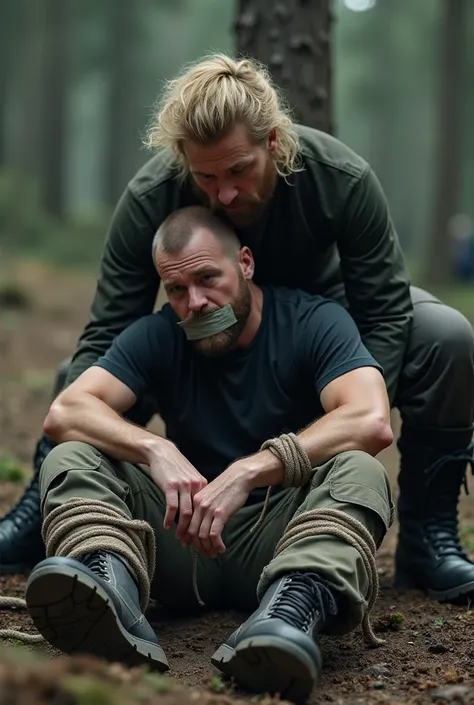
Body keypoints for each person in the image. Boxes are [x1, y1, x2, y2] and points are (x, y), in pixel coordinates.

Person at [2, 53, 473, 601]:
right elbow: (109, 328)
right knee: (79, 379)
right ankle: (48, 505)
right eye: (205, 177)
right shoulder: (151, 196)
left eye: (238, 171)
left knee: (446, 335)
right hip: (206, 310)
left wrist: (340, 420)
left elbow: (387, 312)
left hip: (327, 310)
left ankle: (427, 536)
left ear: (272, 141)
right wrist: (133, 440)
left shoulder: (339, 179)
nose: (223, 194)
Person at [26, 206, 394, 702]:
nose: (195, 303)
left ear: (245, 263)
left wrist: (252, 469)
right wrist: (154, 447)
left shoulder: (313, 321)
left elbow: (370, 420)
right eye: (177, 290)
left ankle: (290, 613)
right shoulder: (162, 333)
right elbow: (66, 411)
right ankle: (111, 592)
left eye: (207, 278)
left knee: (361, 470)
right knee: (70, 454)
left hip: (281, 536)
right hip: (177, 539)